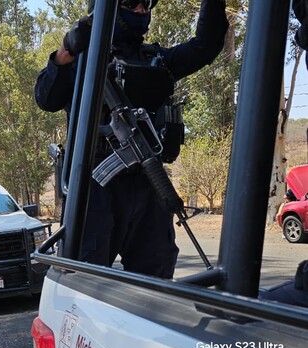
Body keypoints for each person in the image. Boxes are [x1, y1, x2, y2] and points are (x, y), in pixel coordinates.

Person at [34, 0, 228, 278]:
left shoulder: (159, 60)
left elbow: (205, 47)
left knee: (156, 274)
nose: (140, 10)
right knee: (84, 276)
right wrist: (66, 51)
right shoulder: (83, 60)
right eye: (130, 3)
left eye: (145, 3)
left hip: (148, 179)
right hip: (95, 185)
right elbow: (46, 99)